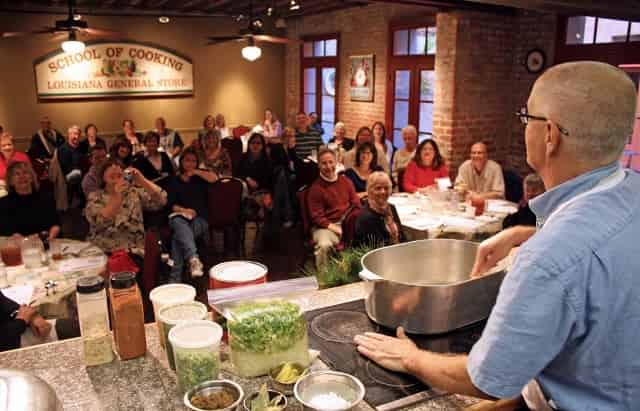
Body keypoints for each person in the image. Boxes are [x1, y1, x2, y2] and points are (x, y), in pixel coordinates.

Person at [354, 61, 640, 411]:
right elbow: (597, 241)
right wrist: (523, 234)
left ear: (549, 134)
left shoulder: (549, 258)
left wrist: (411, 357)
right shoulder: (631, 190)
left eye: (527, 118)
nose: (524, 127)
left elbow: (487, 378)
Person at [85, 159, 166, 255]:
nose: (114, 168)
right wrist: (117, 196)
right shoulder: (95, 196)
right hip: (104, 251)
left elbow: (161, 200)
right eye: (109, 168)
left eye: (118, 169)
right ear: (103, 177)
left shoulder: (134, 192)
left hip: (133, 250)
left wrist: (142, 180)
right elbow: (99, 222)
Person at [167, 147, 218, 281]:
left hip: (199, 218)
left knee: (178, 238)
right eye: (187, 160)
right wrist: (184, 211)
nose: (190, 163)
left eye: (193, 161)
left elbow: (214, 178)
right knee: (179, 224)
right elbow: (171, 205)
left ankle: (175, 278)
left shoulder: (200, 177)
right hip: (179, 217)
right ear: (181, 161)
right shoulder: (174, 180)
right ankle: (193, 259)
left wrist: (195, 171)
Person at [308, 148, 361, 268]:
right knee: (324, 245)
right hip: (325, 227)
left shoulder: (346, 182)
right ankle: (325, 281)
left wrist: (350, 225)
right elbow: (317, 217)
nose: (328, 166)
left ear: (336, 163)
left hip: (347, 223)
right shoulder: (316, 188)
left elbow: (356, 205)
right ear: (319, 166)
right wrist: (337, 229)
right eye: (324, 163)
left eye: (331, 162)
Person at [0, 162, 60, 238]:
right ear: (11, 181)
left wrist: (50, 237)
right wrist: (28, 241)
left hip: (46, 242)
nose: (22, 176)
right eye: (17, 174)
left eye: (25, 173)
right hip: (18, 246)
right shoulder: (3, 203)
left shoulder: (46, 198)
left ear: (31, 177)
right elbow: (7, 230)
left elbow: (55, 224)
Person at [354, 172, 404, 247]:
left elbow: (402, 236)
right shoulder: (366, 218)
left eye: (386, 188)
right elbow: (377, 249)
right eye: (378, 188)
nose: (383, 191)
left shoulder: (391, 207)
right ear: (369, 190)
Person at [238, 133, 273, 222]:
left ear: (262, 145)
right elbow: (237, 174)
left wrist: (258, 186)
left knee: (265, 203)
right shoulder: (243, 157)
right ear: (249, 144)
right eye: (253, 143)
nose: (255, 145)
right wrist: (247, 179)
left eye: (258, 143)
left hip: (262, 190)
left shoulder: (267, 160)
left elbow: (268, 180)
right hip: (245, 191)